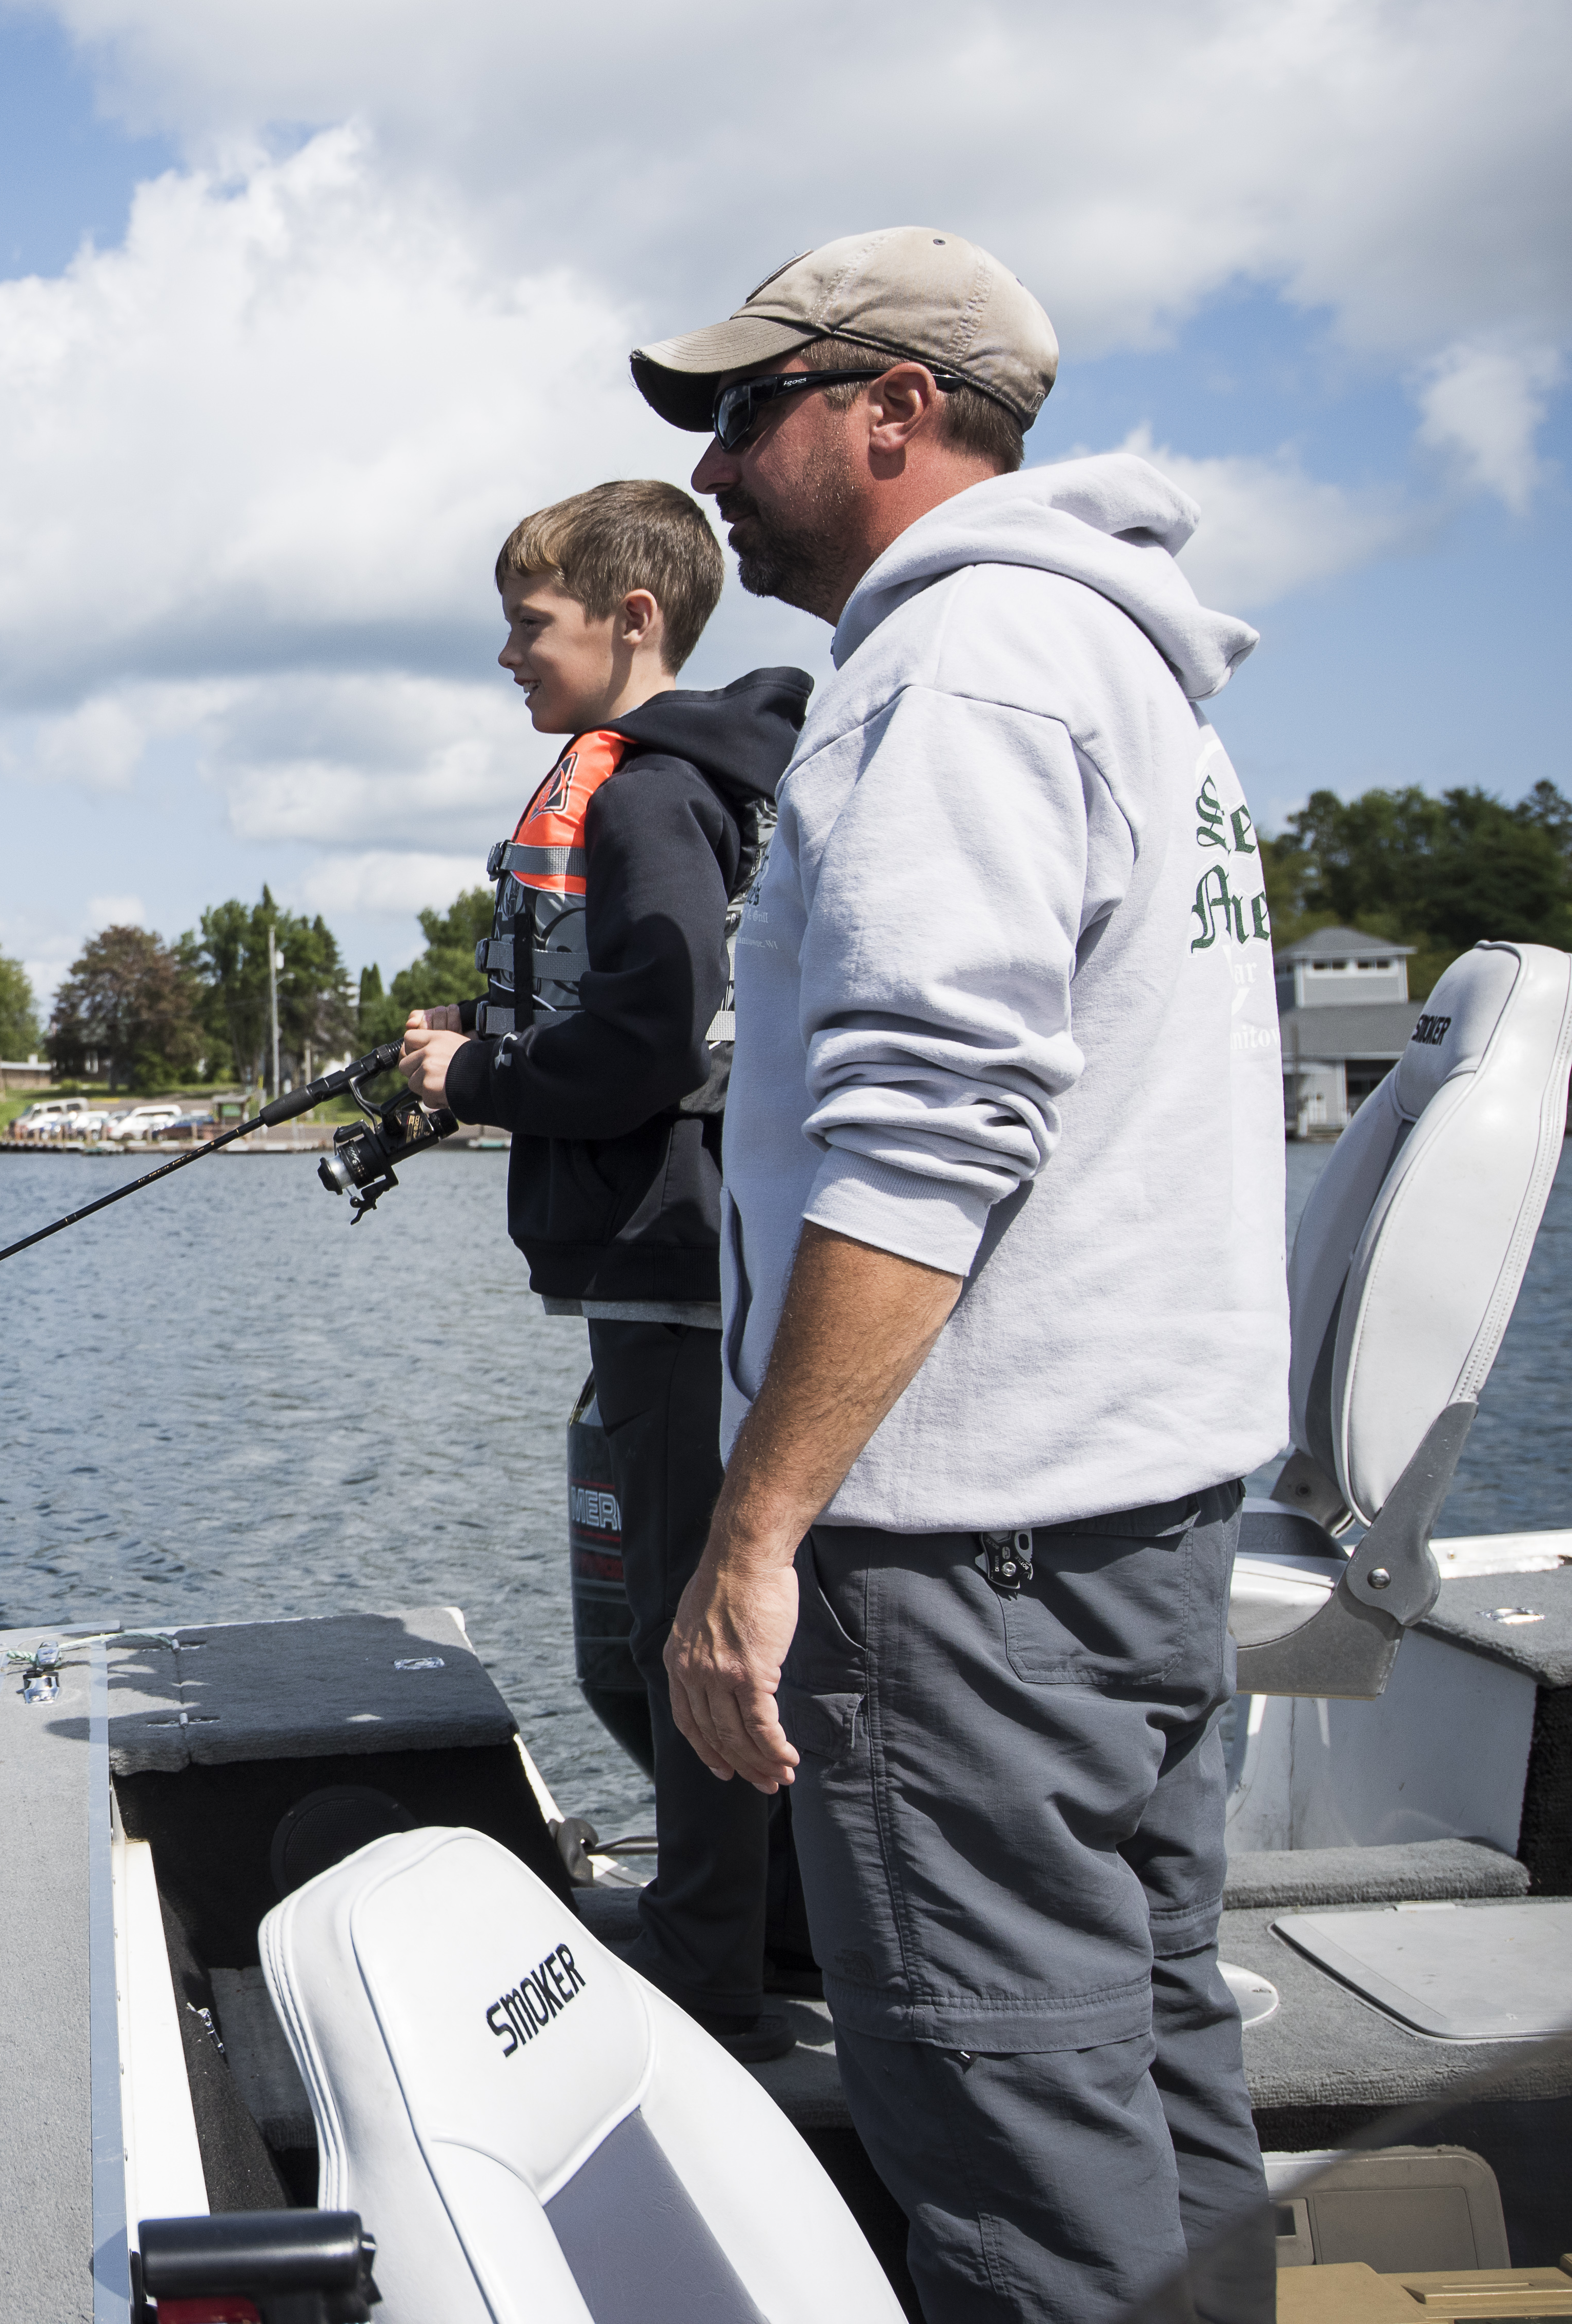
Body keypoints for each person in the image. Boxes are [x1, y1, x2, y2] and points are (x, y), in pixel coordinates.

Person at [636, 228, 1284, 2323]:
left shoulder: (956, 673)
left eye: (745, 415)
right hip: (1138, 1524)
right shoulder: (1122, 667)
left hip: (963, 1564)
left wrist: (756, 1531)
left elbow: (933, 1121)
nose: (714, 477)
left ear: (891, 412)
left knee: (1011, 2160)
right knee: (1157, 2074)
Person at [398, 481, 812, 2061]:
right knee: (704, 1607)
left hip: (671, 1266)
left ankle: (709, 1957)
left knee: (680, 1619)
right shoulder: (707, 786)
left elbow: (647, 1042)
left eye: (530, 622)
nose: (509, 654)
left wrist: (474, 1081)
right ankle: (769, 1922)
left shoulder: (642, 796)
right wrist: (485, 1047)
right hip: (708, 1256)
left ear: (633, 621)